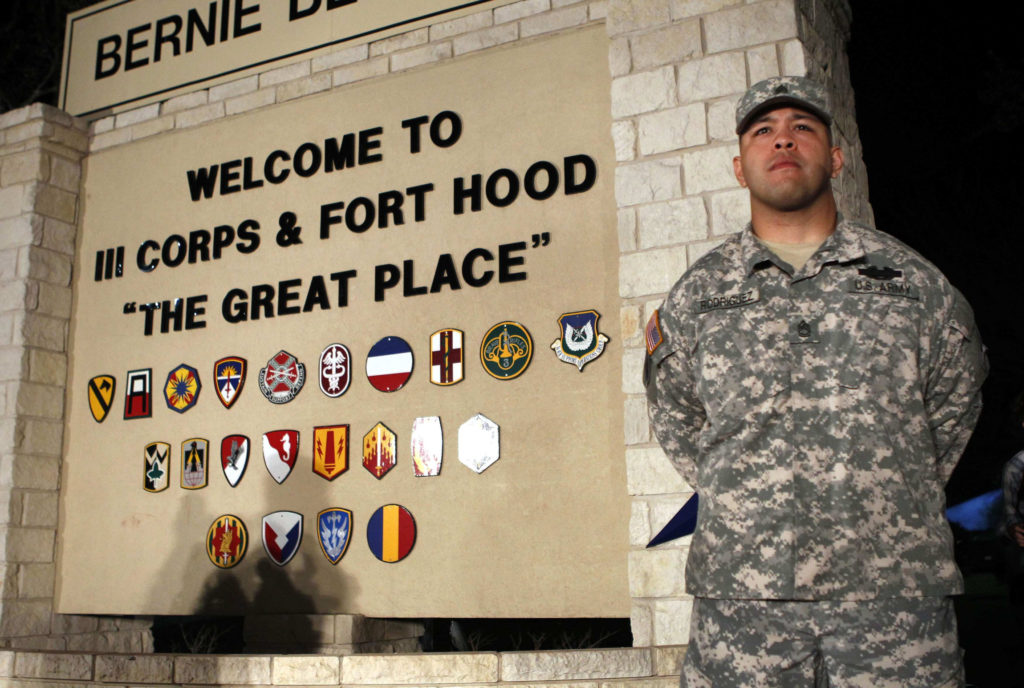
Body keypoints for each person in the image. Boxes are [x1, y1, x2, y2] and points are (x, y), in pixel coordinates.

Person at [644, 76, 987, 687]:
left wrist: (885, 494)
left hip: (892, 595)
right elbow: (678, 416)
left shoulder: (911, 283)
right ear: (739, 166)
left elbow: (955, 400)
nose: (783, 141)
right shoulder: (699, 295)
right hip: (746, 600)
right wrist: (752, 497)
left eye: (802, 128)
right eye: (763, 131)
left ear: (834, 158)